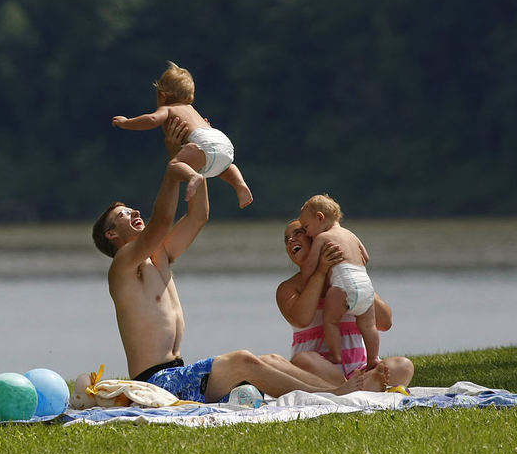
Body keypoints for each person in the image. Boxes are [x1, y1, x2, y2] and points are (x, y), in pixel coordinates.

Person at [89, 122, 374, 403]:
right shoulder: (123, 265)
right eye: (124, 214)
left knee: (270, 360)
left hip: (176, 373)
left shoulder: (158, 256)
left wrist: (192, 155)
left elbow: (198, 215)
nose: (134, 211)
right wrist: (173, 169)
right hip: (155, 382)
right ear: (111, 234)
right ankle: (332, 395)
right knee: (242, 360)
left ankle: (346, 389)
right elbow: (162, 221)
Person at [277, 220, 414, 388]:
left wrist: (356, 273)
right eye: (287, 239)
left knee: (404, 365)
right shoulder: (288, 288)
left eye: (298, 233)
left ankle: (359, 385)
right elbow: (301, 319)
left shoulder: (349, 282)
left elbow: (385, 322)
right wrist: (320, 272)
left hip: (359, 369)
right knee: (301, 360)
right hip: (319, 369)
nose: (291, 240)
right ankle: (352, 388)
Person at [111, 61, 253, 208]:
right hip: (221, 140)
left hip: (202, 143)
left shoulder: (168, 108)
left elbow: (152, 119)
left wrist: (126, 122)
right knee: (225, 168)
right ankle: (240, 184)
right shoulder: (191, 109)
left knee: (175, 165)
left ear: (162, 95)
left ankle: (193, 176)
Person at [297, 196, 382, 371]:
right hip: (365, 284)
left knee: (330, 321)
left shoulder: (322, 238)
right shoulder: (351, 234)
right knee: (368, 325)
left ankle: (335, 354)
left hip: (343, 284)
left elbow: (312, 265)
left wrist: (307, 272)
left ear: (320, 218)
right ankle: (373, 358)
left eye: (306, 227)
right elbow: (365, 257)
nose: (306, 234)